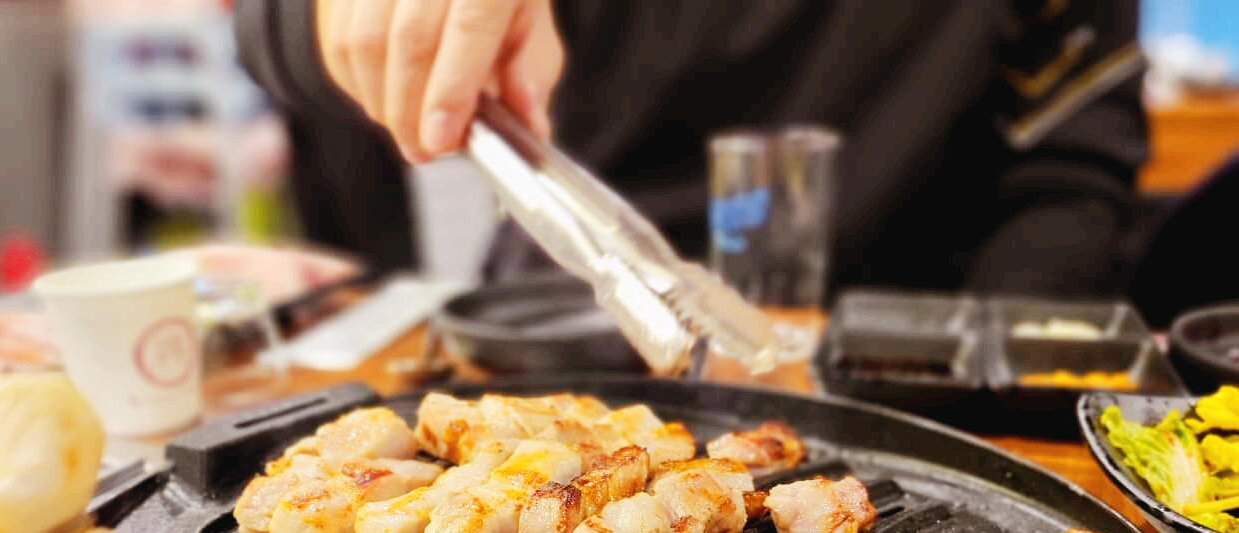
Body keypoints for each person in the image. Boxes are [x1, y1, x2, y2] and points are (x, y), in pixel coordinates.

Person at [233, 1, 1148, 297]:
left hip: (900, 350)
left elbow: (1069, 167)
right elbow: (266, 25)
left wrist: (983, 383)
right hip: (570, 327)